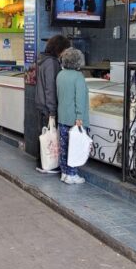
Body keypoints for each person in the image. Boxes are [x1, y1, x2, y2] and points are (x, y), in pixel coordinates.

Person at [35, 35, 71, 173]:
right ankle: (48, 164)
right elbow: (50, 88)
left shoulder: (42, 60)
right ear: (60, 49)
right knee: (49, 136)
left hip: (41, 103)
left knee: (44, 135)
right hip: (47, 106)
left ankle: (42, 163)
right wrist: (52, 110)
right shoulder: (52, 63)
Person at [56, 47, 90, 185]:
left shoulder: (60, 75)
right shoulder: (78, 77)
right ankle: (72, 174)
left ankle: (64, 173)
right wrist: (80, 117)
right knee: (74, 148)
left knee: (64, 147)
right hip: (75, 119)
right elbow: (79, 99)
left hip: (62, 116)